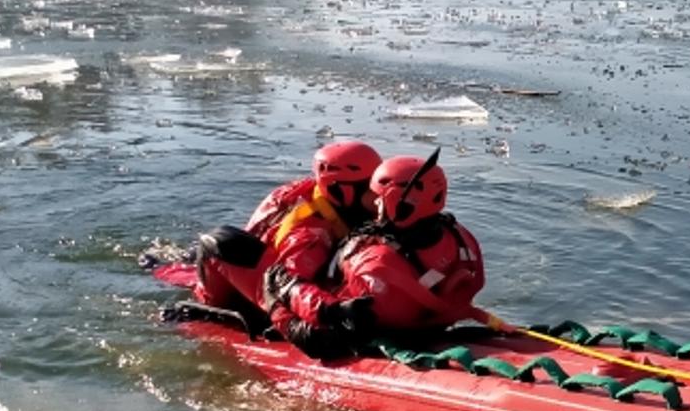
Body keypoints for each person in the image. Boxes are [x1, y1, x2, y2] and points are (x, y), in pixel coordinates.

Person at [268, 152, 485, 358]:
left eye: (379, 198)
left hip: (363, 331)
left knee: (274, 283)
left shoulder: (375, 262)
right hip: (436, 323)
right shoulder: (462, 237)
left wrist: (290, 289)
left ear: (398, 202)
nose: (375, 204)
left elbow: (344, 318)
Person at [190, 140, 382, 332]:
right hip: (269, 283)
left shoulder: (324, 196)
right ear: (339, 190)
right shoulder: (310, 234)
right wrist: (333, 311)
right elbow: (288, 285)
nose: (378, 198)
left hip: (274, 260)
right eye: (371, 189)